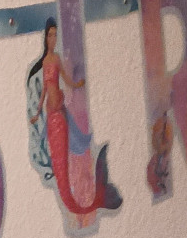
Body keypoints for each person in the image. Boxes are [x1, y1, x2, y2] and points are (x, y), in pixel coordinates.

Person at [26, 19, 121, 219]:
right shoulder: (45, 62)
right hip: (52, 115)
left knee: (67, 155)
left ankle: (93, 198)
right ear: (45, 38)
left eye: (55, 35)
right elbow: (44, 90)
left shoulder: (57, 59)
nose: (53, 39)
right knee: (57, 161)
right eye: (50, 35)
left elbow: (66, 80)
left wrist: (77, 85)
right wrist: (37, 113)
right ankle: (91, 199)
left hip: (60, 115)